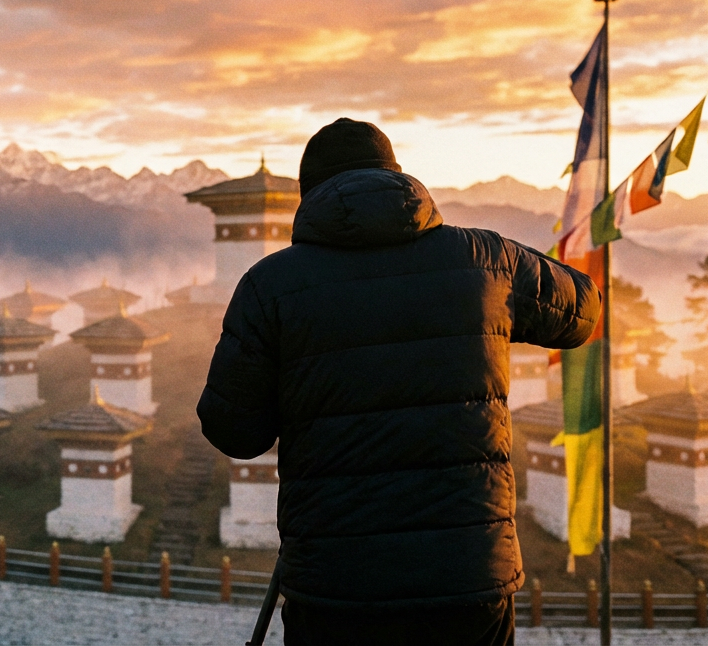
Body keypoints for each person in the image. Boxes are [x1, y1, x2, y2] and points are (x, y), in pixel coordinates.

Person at [198, 119, 600, 646]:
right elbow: (584, 311)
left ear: (307, 195)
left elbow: (233, 431)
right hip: (468, 574)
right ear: (400, 179)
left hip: (336, 584)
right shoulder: (485, 261)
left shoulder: (269, 287)